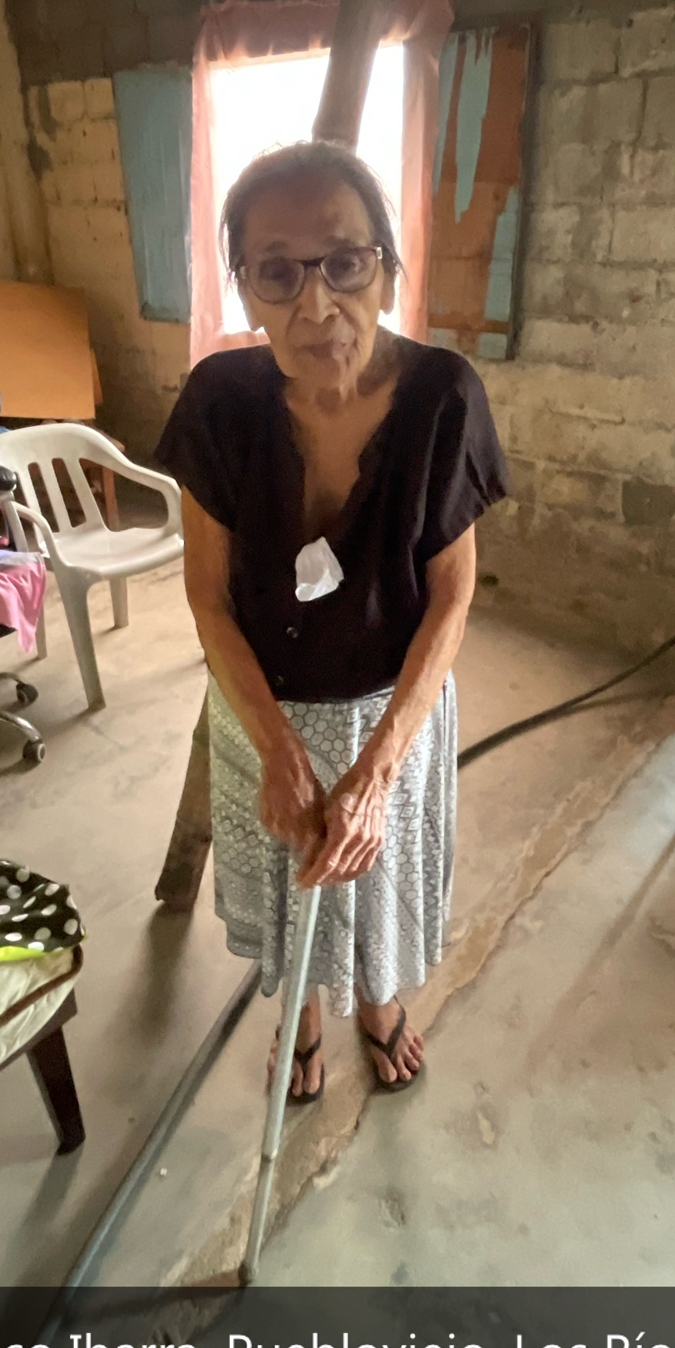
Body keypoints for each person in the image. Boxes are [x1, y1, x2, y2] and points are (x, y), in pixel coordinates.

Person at [156, 140, 509, 1101]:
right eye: (277, 272)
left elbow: (452, 597)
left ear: (387, 266)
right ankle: (303, 1016)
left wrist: (379, 770)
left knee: (376, 881)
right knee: (286, 885)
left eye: (345, 263)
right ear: (245, 287)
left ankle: (379, 1006)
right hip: (259, 708)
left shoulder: (443, 397)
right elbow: (208, 597)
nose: (315, 307)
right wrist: (277, 748)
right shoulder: (219, 401)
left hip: (387, 712)